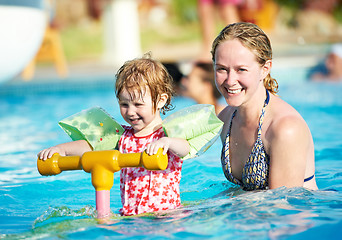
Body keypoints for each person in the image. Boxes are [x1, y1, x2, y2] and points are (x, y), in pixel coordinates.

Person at [38, 55, 191, 216]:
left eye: (138, 104)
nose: (130, 112)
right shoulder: (123, 137)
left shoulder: (166, 134)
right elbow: (91, 146)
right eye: (124, 104)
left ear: (160, 100)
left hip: (168, 214)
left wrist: (167, 142)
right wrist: (60, 150)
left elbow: (185, 148)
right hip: (131, 216)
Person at [211, 22, 318, 190]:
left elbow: (282, 207)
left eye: (241, 70)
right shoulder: (226, 119)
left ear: (265, 69)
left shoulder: (285, 129)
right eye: (222, 69)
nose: (230, 81)